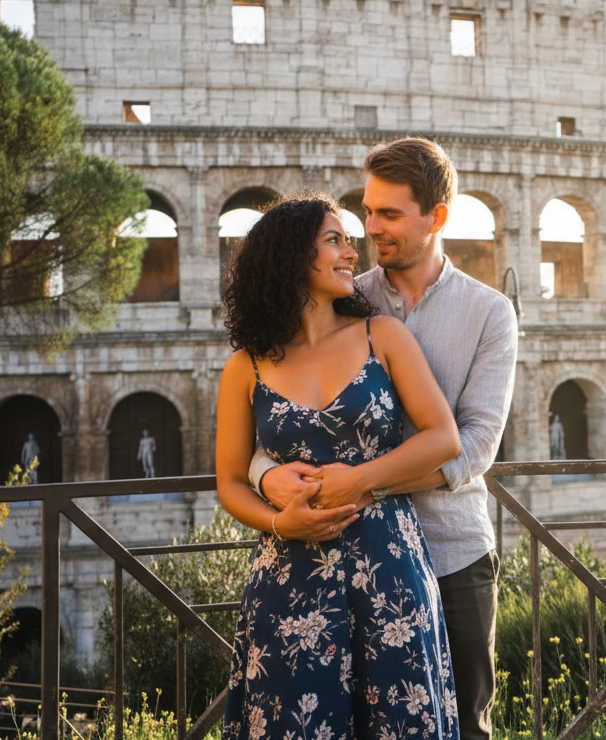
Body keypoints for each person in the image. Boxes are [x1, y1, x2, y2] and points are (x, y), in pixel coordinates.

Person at [250, 138, 519, 740]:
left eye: (389, 214)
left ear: (436, 216)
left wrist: (363, 485)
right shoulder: (342, 294)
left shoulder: (489, 312)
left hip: (452, 551)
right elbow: (280, 413)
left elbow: (476, 445)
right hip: (345, 556)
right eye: (368, 211)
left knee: (464, 727)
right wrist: (266, 476)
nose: (371, 228)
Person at [216, 191, 462, 740]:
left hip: (389, 562)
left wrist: (360, 480)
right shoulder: (244, 367)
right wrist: (280, 522)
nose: (353, 252)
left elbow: (444, 438)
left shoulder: (382, 336)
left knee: (402, 720)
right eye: (335, 241)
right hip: (289, 573)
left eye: (349, 241)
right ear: (291, 256)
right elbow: (229, 482)